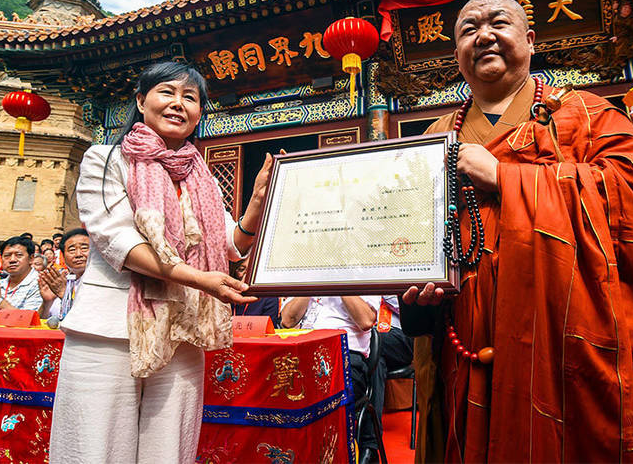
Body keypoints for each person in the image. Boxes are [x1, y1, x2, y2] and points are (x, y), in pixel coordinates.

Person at [399, 0, 633, 462]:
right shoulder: (434, 139)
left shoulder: (586, 115)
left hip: (561, 336)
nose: (484, 36)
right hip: (464, 338)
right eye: (468, 29)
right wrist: (416, 300)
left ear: (530, 40)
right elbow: (413, 238)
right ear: (456, 55)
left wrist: (507, 177)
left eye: (498, 23)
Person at [49, 61, 272, 464]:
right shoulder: (106, 159)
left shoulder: (199, 175)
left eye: (190, 97)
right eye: (166, 92)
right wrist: (200, 279)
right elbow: (120, 242)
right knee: (94, 448)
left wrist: (256, 204)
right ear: (140, 100)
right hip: (109, 328)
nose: (178, 104)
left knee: (169, 450)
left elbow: (228, 243)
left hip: (183, 329)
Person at [280, 295, 383, 462]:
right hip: (304, 353)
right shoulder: (305, 273)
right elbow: (287, 320)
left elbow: (366, 320)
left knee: (315, 395)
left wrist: (336, 278)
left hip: (345, 356)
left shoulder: (362, 272)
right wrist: (313, 280)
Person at [0, 236, 43, 317]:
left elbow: (28, 319)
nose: (12, 260)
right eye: (7, 256)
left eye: (19, 255)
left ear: (31, 258)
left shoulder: (41, 284)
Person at [39, 228, 89, 319]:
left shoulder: (104, 282)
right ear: (63, 255)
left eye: (84, 248)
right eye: (72, 250)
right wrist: (47, 302)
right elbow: (41, 322)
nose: (78, 254)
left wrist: (65, 295)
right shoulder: (58, 281)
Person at [228, 259, 280, 327]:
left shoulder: (268, 297)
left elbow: (268, 330)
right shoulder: (226, 293)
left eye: (252, 269)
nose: (247, 275)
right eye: (241, 269)